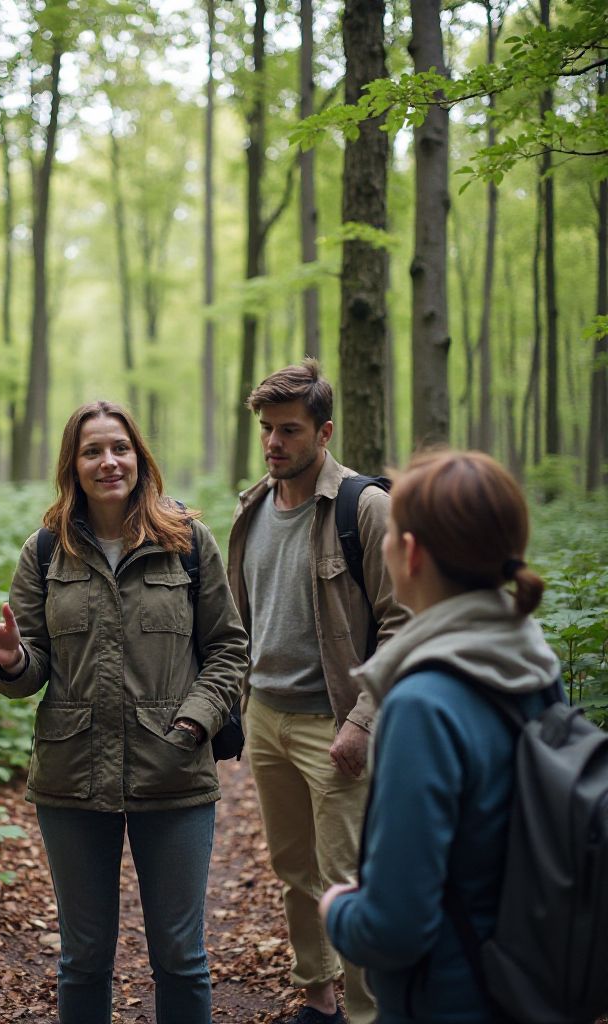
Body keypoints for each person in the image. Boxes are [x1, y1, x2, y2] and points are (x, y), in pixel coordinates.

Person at [0, 400, 248, 1024]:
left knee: (181, 956)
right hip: (72, 777)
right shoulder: (45, 550)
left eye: (119, 447)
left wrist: (195, 720)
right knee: (83, 957)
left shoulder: (187, 542)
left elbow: (229, 647)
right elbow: (30, 670)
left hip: (174, 771)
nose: (108, 461)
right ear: (73, 464)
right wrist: (14, 658)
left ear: (139, 457)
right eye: (92, 450)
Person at [320, 450, 561, 1024]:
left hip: (452, 997)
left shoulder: (423, 705)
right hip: (533, 977)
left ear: (410, 552)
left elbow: (394, 927)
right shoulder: (532, 664)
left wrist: (337, 909)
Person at [227, 359, 408, 1024]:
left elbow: (403, 623)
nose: (274, 443)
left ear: (325, 432)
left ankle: (367, 1012)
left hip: (335, 724)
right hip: (267, 716)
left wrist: (362, 721)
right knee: (294, 873)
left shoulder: (366, 508)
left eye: (290, 431)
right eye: (267, 430)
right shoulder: (252, 509)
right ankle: (317, 994)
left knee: (347, 881)